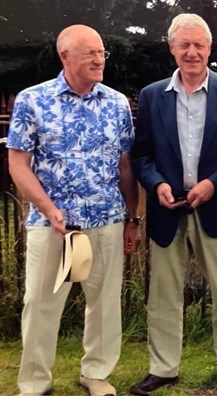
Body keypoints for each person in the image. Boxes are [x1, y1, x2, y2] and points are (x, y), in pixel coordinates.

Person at [129, 13, 217, 396]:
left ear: (209, 48)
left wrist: (213, 184)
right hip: (167, 209)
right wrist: (156, 185)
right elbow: (141, 155)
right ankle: (163, 367)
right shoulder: (153, 95)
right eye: (184, 44)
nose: (191, 52)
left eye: (198, 45)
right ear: (172, 48)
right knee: (164, 293)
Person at [6, 24, 140, 396]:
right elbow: (18, 164)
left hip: (107, 220)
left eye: (102, 53)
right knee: (41, 303)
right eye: (90, 54)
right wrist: (48, 209)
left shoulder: (116, 103)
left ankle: (96, 372)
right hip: (53, 226)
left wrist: (133, 218)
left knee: (104, 301)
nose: (99, 60)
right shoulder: (33, 100)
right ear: (64, 55)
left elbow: (126, 165)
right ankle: (34, 382)